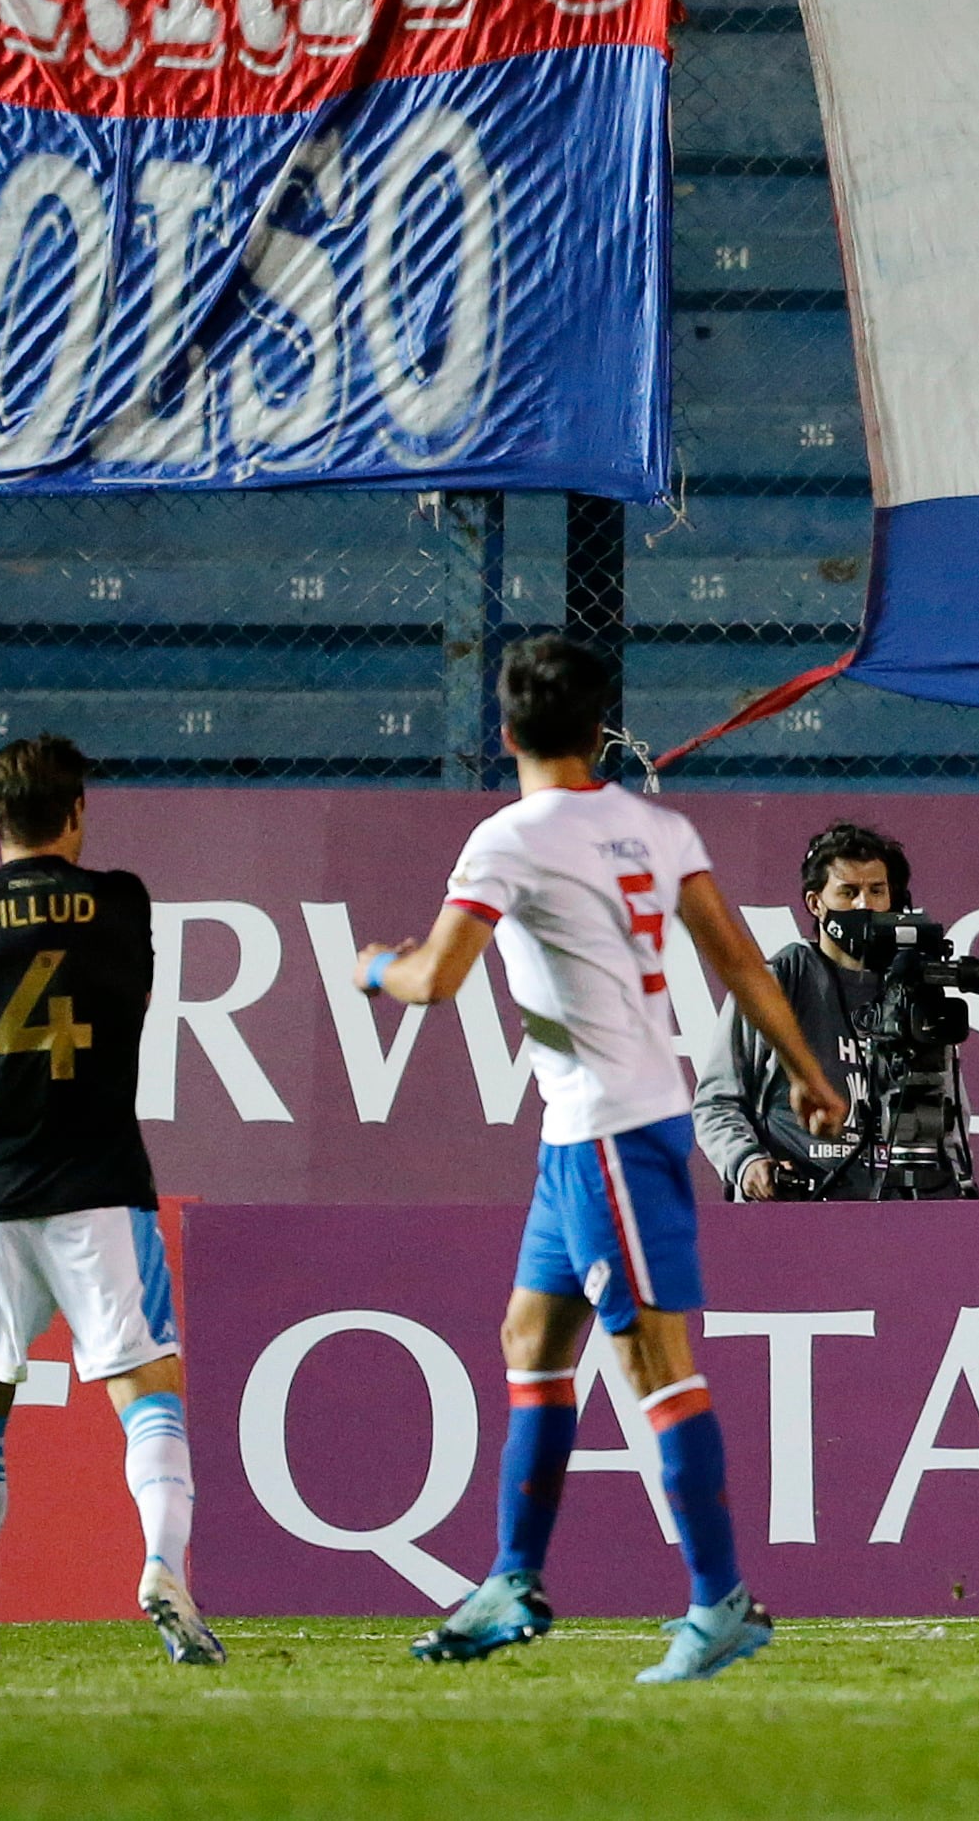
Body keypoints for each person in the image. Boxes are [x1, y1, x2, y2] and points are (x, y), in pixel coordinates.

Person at [358, 636, 848, 1684]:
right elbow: (736, 957)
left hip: (613, 1131)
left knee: (652, 1360)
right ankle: (511, 1581)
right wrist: (805, 1068)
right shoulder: (655, 827)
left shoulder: (507, 838)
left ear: (505, 734)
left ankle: (719, 1603)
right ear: (598, 728)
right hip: (582, 1130)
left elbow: (438, 980)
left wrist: (374, 968)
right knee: (531, 1335)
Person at [0, 737, 219, 1668]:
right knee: (148, 1391)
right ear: (75, 814)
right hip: (102, 1187)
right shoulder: (125, 902)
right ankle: (162, 1564)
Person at [694, 821, 970, 1200]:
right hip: (796, 1204)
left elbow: (947, 1113)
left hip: (894, 1210)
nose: (864, 905)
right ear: (815, 903)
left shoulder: (912, 988)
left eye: (877, 891)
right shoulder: (780, 981)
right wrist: (747, 1163)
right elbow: (718, 1101)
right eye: (848, 892)